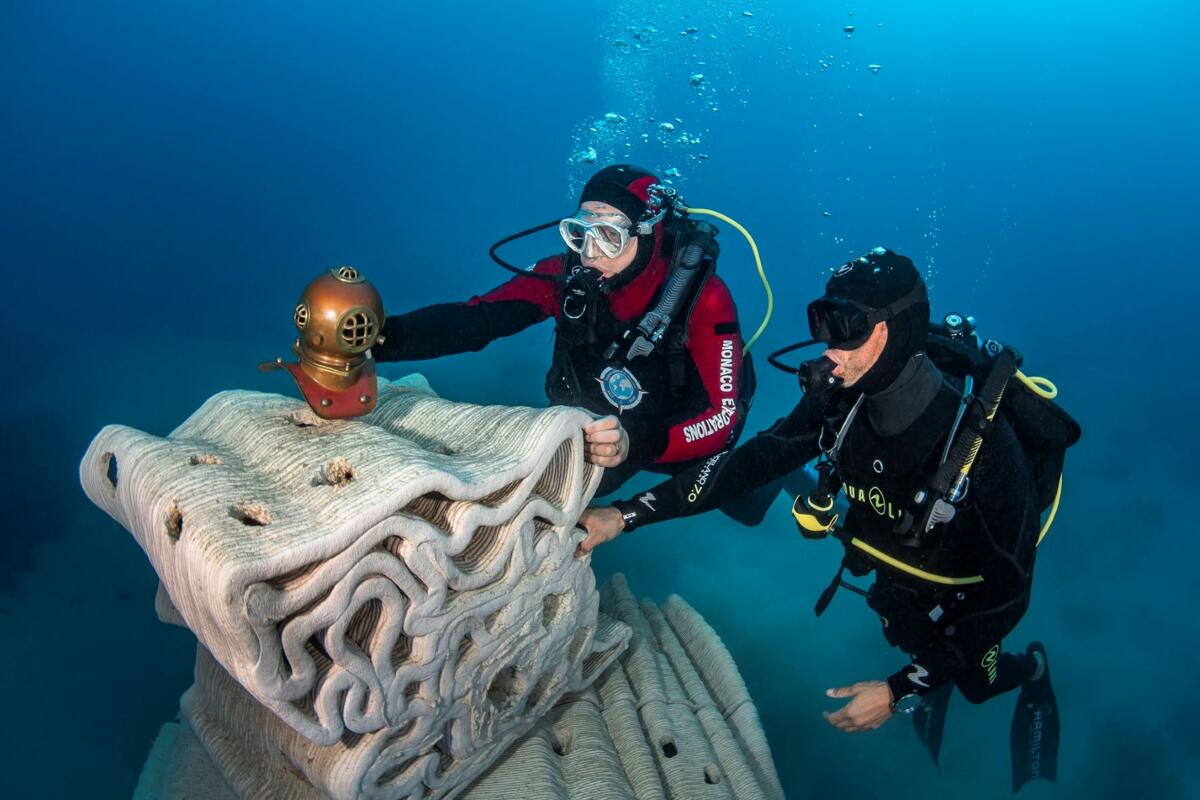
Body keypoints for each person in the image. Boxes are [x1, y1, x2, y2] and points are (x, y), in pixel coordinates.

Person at [577, 248, 1076, 792]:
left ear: (897, 330)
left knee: (977, 681)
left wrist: (897, 691)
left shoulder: (985, 446)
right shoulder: (839, 403)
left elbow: (1009, 596)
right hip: (894, 576)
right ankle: (932, 667)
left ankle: (1031, 671)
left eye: (848, 327)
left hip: (964, 590)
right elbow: (745, 466)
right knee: (910, 638)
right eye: (823, 323)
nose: (828, 348)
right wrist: (625, 515)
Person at [373, 164, 755, 494]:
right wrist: (377, 339)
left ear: (649, 234)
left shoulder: (705, 298)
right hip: (596, 432)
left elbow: (721, 417)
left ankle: (777, 476)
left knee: (736, 493)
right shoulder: (564, 275)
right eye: (581, 233)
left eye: (609, 237)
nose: (590, 253)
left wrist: (635, 442)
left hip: (671, 435)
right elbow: (478, 320)